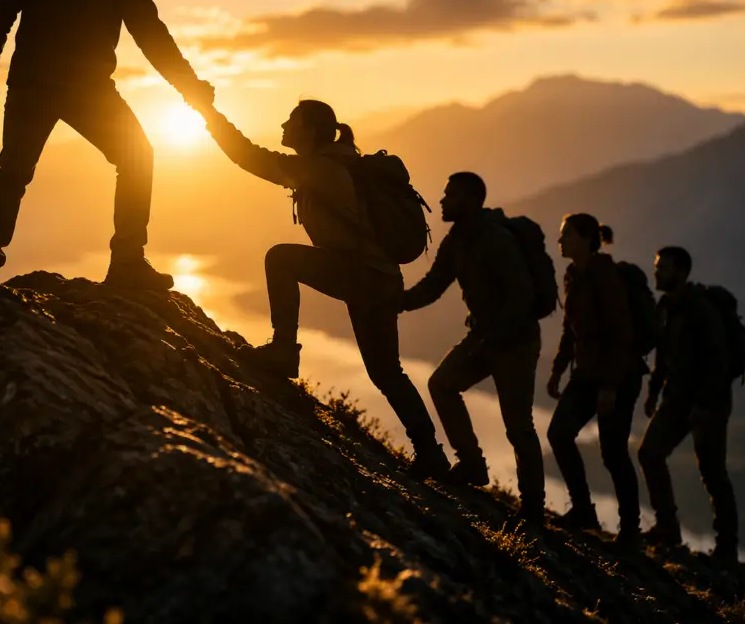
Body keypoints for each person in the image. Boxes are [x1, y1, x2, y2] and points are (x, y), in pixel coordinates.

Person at [0, 0, 214, 288]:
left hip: (31, 82)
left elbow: (0, 14)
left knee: (12, 172)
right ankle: (127, 263)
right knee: (137, 158)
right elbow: (153, 37)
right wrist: (190, 88)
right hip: (88, 90)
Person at [195, 99, 449, 480]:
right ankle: (431, 454)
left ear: (310, 130)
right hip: (381, 277)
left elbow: (250, 157)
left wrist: (209, 117)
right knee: (386, 372)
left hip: (361, 273)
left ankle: (284, 349)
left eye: (291, 120)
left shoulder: (320, 168)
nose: (283, 124)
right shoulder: (342, 163)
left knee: (280, 258)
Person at [401, 172, 546, 523]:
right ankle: (472, 463)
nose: (442, 200)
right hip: (485, 338)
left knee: (518, 426)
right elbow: (434, 285)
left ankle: (532, 509)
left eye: (449, 195)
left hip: (515, 342)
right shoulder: (456, 242)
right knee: (442, 384)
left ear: (469, 200)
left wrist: (495, 336)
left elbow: (522, 296)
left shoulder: (496, 240)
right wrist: (395, 301)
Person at [638, 246, 739, 565]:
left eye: (662, 268)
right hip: (676, 398)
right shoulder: (667, 306)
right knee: (649, 453)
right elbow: (663, 356)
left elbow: (718, 361)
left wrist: (704, 406)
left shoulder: (701, 310)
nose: (656, 272)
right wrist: (654, 391)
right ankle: (667, 526)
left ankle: (727, 548)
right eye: (656, 267)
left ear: (680, 273)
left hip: (708, 404)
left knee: (712, 472)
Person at [546, 215, 642, 545]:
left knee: (613, 453)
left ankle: (631, 530)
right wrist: (559, 369)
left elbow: (622, 334)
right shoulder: (574, 275)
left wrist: (610, 387)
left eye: (566, 236)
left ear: (586, 239)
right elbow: (571, 330)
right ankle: (584, 510)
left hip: (618, 376)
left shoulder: (605, 276)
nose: (560, 241)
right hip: (586, 374)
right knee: (559, 433)